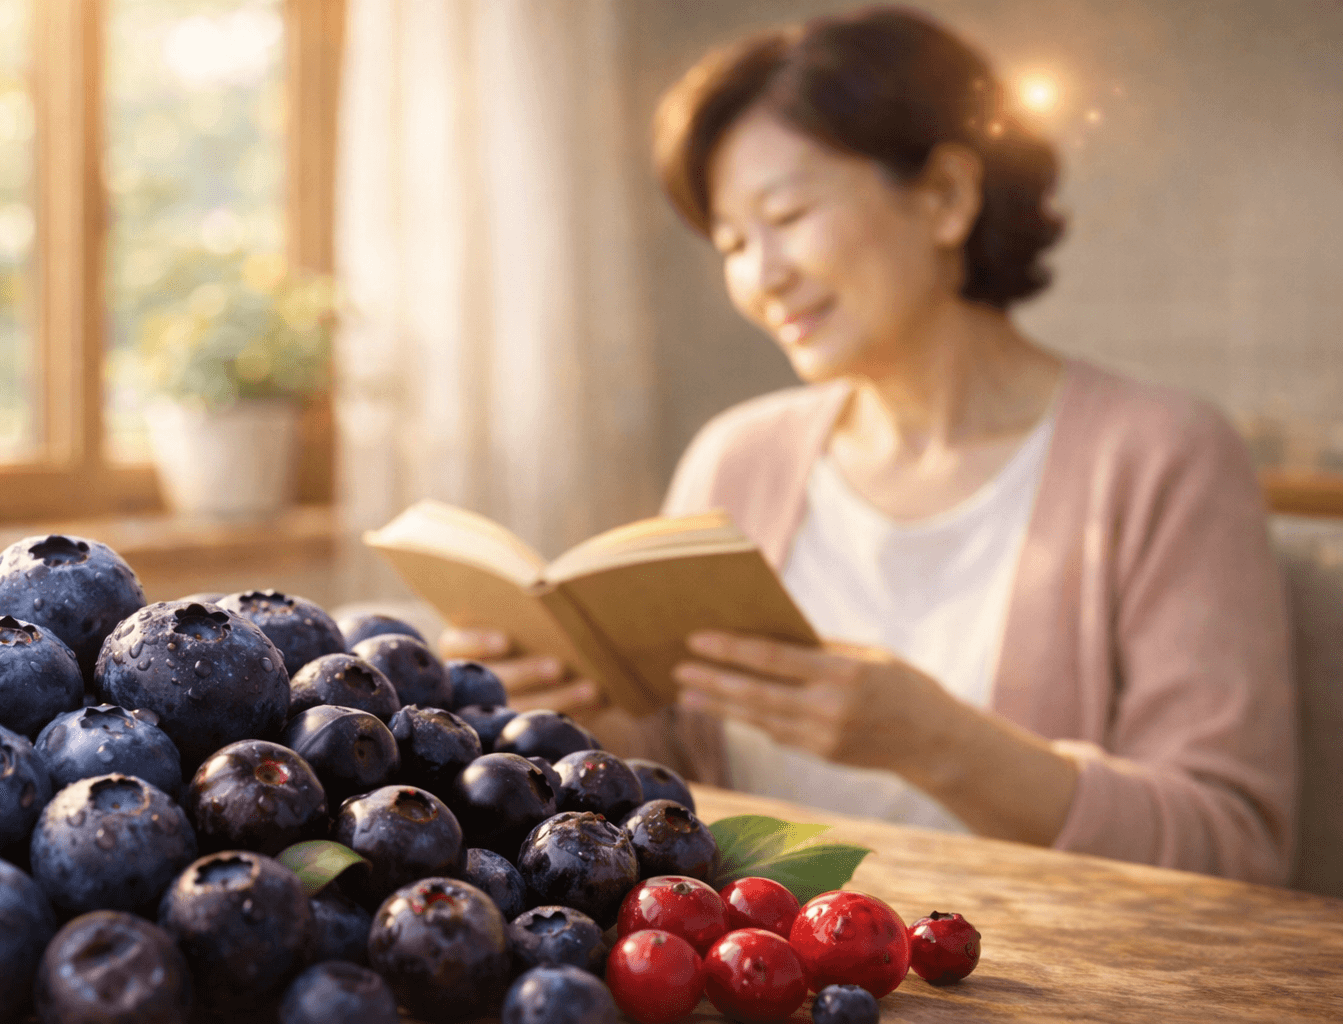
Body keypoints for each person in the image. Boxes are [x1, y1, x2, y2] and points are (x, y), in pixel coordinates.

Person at [441, 8, 1297, 885]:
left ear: (947, 198)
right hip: (775, 972)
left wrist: (939, 744)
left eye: (789, 213)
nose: (759, 274)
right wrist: (572, 718)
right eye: (733, 241)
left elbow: (1237, 845)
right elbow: (681, 771)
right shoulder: (737, 457)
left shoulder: (1162, 456)